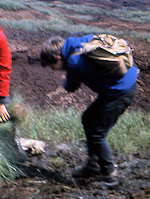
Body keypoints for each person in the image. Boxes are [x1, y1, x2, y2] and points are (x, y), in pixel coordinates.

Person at [39, 35, 139, 187]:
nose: (53, 69)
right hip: (117, 88)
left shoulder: (73, 62)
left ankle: (110, 175)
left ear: (58, 57)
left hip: (120, 92)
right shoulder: (77, 41)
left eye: (52, 66)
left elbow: (71, 87)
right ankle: (93, 165)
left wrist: (65, 80)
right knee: (87, 118)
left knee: (98, 133)